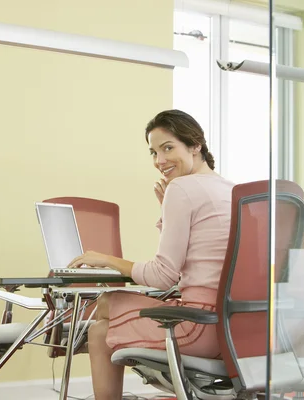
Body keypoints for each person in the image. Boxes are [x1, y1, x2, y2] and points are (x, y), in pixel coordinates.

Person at [67, 109, 235, 400]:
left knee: (105, 304)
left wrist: (105, 258)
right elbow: (203, 257)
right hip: (234, 330)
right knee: (99, 330)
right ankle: (76, 333)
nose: (160, 161)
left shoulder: (182, 189)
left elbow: (162, 275)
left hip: (197, 327)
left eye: (168, 148)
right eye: (154, 152)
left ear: (195, 145)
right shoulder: (231, 189)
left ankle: (63, 332)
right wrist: (166, 213)